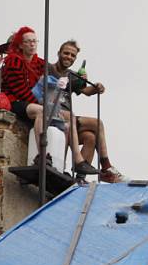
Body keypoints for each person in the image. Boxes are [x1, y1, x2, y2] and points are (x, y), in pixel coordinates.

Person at [33, 40, 122, 182]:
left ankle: (80, 177)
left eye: (72, 55)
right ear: (59, 53)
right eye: (66, 53)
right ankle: (106, 167)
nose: (69, 57)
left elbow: (86, 91)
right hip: (52, 112)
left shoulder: (72, 75)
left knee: (90, 137)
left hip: (68, 118)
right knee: (97, 123)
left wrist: (97, 88)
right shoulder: (48, 68)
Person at [0, 26, 46, 161]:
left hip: (31, 101)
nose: (32, 44)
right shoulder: (12, 61)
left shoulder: (37, 62)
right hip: (16, 101)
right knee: (41, 111)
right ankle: (42, 156)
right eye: (27, 41)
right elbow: (19, 90)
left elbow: (55, 70)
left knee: (66, 118)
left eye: (34, 41)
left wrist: (79, 83)